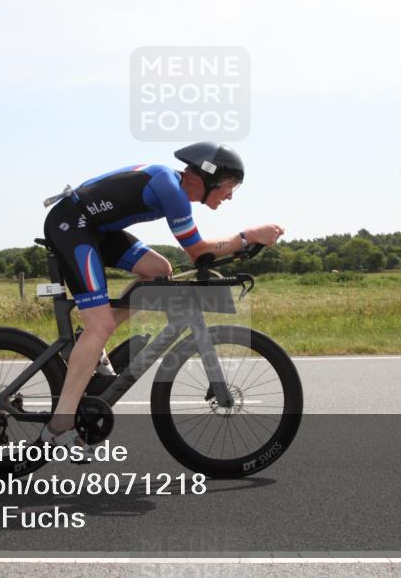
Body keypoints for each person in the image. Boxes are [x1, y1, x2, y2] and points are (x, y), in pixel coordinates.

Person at [39, 142, 284, 460]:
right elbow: (198, 252)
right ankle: (58, 428)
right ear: (208, 177)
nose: (230, 196)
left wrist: (242, 246)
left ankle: (94, 338)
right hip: (73, 226)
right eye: (228, 188)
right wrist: (247, 237)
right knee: (99, 325)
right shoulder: (172, 190)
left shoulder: (173, 186)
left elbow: (200, 254)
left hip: (96, 229)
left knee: (158, 271)